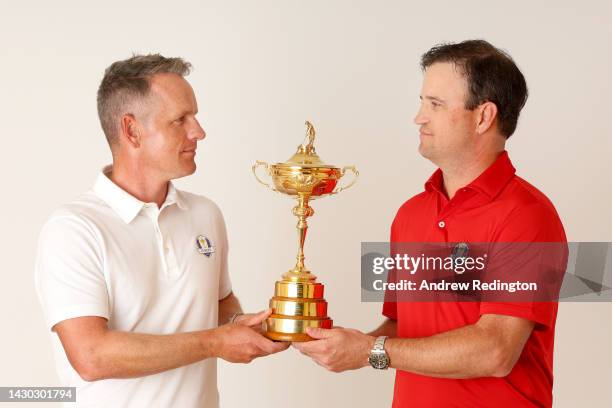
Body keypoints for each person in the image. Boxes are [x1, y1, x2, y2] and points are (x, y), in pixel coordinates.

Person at [293, 40, 567, 407]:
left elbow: (496, 351)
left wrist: (369, 350)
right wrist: (343, 343)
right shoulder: (410, 215)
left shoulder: (527, 215)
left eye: (435, 104)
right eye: (422, 102)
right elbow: (404, 329)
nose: (419, 117)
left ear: (483, 116)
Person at [34, 54, 288, 408]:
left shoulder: (205, 214)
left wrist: (243, 325)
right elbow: (91, 356)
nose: (198, 131)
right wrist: (216, 342)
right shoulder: (74, 229)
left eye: (195, 116)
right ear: (132, 130)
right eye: (180, 119)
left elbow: (218, 304)